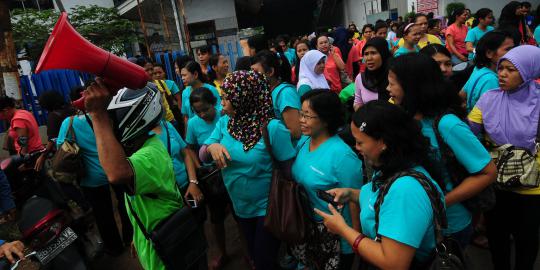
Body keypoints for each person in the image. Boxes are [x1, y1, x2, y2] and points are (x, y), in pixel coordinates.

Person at [84, 78, 200, 270]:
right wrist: (139, 235)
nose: (110, 125)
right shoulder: (143, 149)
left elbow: (115, 173)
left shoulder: (150, 154)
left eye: (113, 118)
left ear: (132, 119)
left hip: (166, 256)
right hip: (156, 242)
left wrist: (98, 115)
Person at [315, 100, 446, 268]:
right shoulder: (390, 166)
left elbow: (394, 263)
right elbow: (383, 199)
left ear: (383, 143)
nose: (356, 147)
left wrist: (343, 229)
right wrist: (352, 194)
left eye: (360, 142)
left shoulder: (406, 191)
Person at [387, 53, 497, 247]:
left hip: (448, 227)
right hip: (415, 224)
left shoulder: (447, 125)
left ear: (411, 86)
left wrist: (441, 201)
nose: (388, 89)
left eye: (392, 83)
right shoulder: (405, 117)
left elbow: (487, 173)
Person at [200, 70, 296, 270]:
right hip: (241, 207)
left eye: (226, 98)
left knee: (263, 261)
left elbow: (289, 171)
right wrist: (212, 147)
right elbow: (202, 155)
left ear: (244, 97)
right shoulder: (226, 123)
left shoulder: (272, 128)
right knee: (254, 255)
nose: (221, 104)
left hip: (268, 208)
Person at [468, 45, 540, 270]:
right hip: (496, 184)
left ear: (529, 70)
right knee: (497, 239)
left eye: (511, 69)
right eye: (501, 68)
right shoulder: (489, 99)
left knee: (526, 240)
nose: (502, 74)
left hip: (531, 187)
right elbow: (470, 133)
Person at [290, 90, 362, 270]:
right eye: (301, 113)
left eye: (307, 116)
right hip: (306, 228)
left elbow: (355, 202)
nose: (301, 120)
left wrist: (352, 243)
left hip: (333, 236)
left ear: (326, 119)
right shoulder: (304, 142)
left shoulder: (343, 157)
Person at [57, 109, 131, 256]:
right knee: (125, 203)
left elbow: (62, 146)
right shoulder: (108, 115)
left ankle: (114, 247)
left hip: (91, 178)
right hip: (116, 168)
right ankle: (130, 237)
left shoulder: (69, 122)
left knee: (103, 215)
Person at [185, 87, 234, 269]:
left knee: (238, 214)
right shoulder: (192, 124)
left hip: (230, 170)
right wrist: (200, 168)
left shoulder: (225, 115)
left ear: (214, 103)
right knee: (216, 217)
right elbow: (189, 148)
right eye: (198, 111)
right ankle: (222, 252)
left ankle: (248, 253)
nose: (203, 114)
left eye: (206, 109)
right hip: (211, 176)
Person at [252, 50, 301, 139]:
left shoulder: (285, 93)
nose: (251, 77)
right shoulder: (265, 92)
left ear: (270, 71)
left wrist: (264, 137)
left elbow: (296, 132)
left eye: (255, 72)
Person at [461, 31, 514, 112]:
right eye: (508, 49)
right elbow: (492, 115)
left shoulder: (478, 69)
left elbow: (462, 94)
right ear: (489, 53)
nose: (514, 53)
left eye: (514, 49)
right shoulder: (491, 80)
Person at [35, 91, 76, 171]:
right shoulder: (72, 108)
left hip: (67, 152)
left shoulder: (53, 116)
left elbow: (52, 140)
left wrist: (42, 157)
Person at [354, 37, 391, 111]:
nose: (369, 58)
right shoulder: (361, 78)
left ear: (383, 54)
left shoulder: (393, 76)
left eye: (373, 53)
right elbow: (357, 103)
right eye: (366, 54)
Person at [180, 61, 221, 125]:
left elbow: (219, 110)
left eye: (185, 75)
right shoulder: (185, 93)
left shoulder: (211, 89)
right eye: (181, 76)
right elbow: (186, 116)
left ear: (195, 74)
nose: (182, 78)